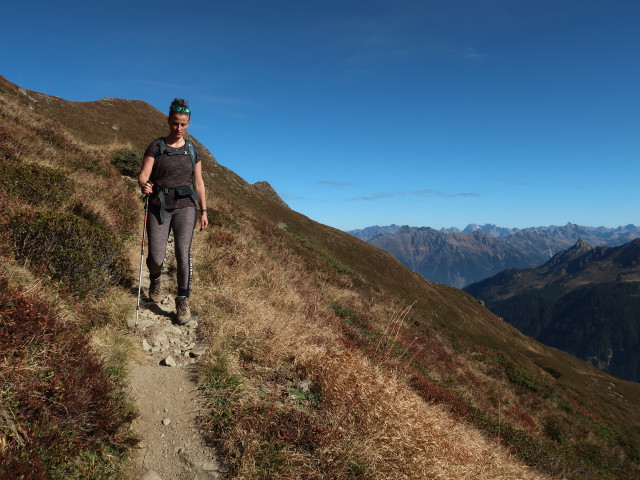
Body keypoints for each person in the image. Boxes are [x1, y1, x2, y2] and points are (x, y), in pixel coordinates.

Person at [138, 98, 208, 324]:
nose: (178, 128)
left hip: (186, 206)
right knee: (156, 256)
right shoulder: (157, 146)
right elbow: (144, 173)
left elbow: (199, 182)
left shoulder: (192, 150)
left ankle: (182, 300)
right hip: (159, 204)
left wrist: (204, 210)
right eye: (175, 123)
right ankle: (155, 278)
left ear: (189, 124)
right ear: (169, 121)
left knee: (182, 254)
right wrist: (144, 184)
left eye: (183, 124)